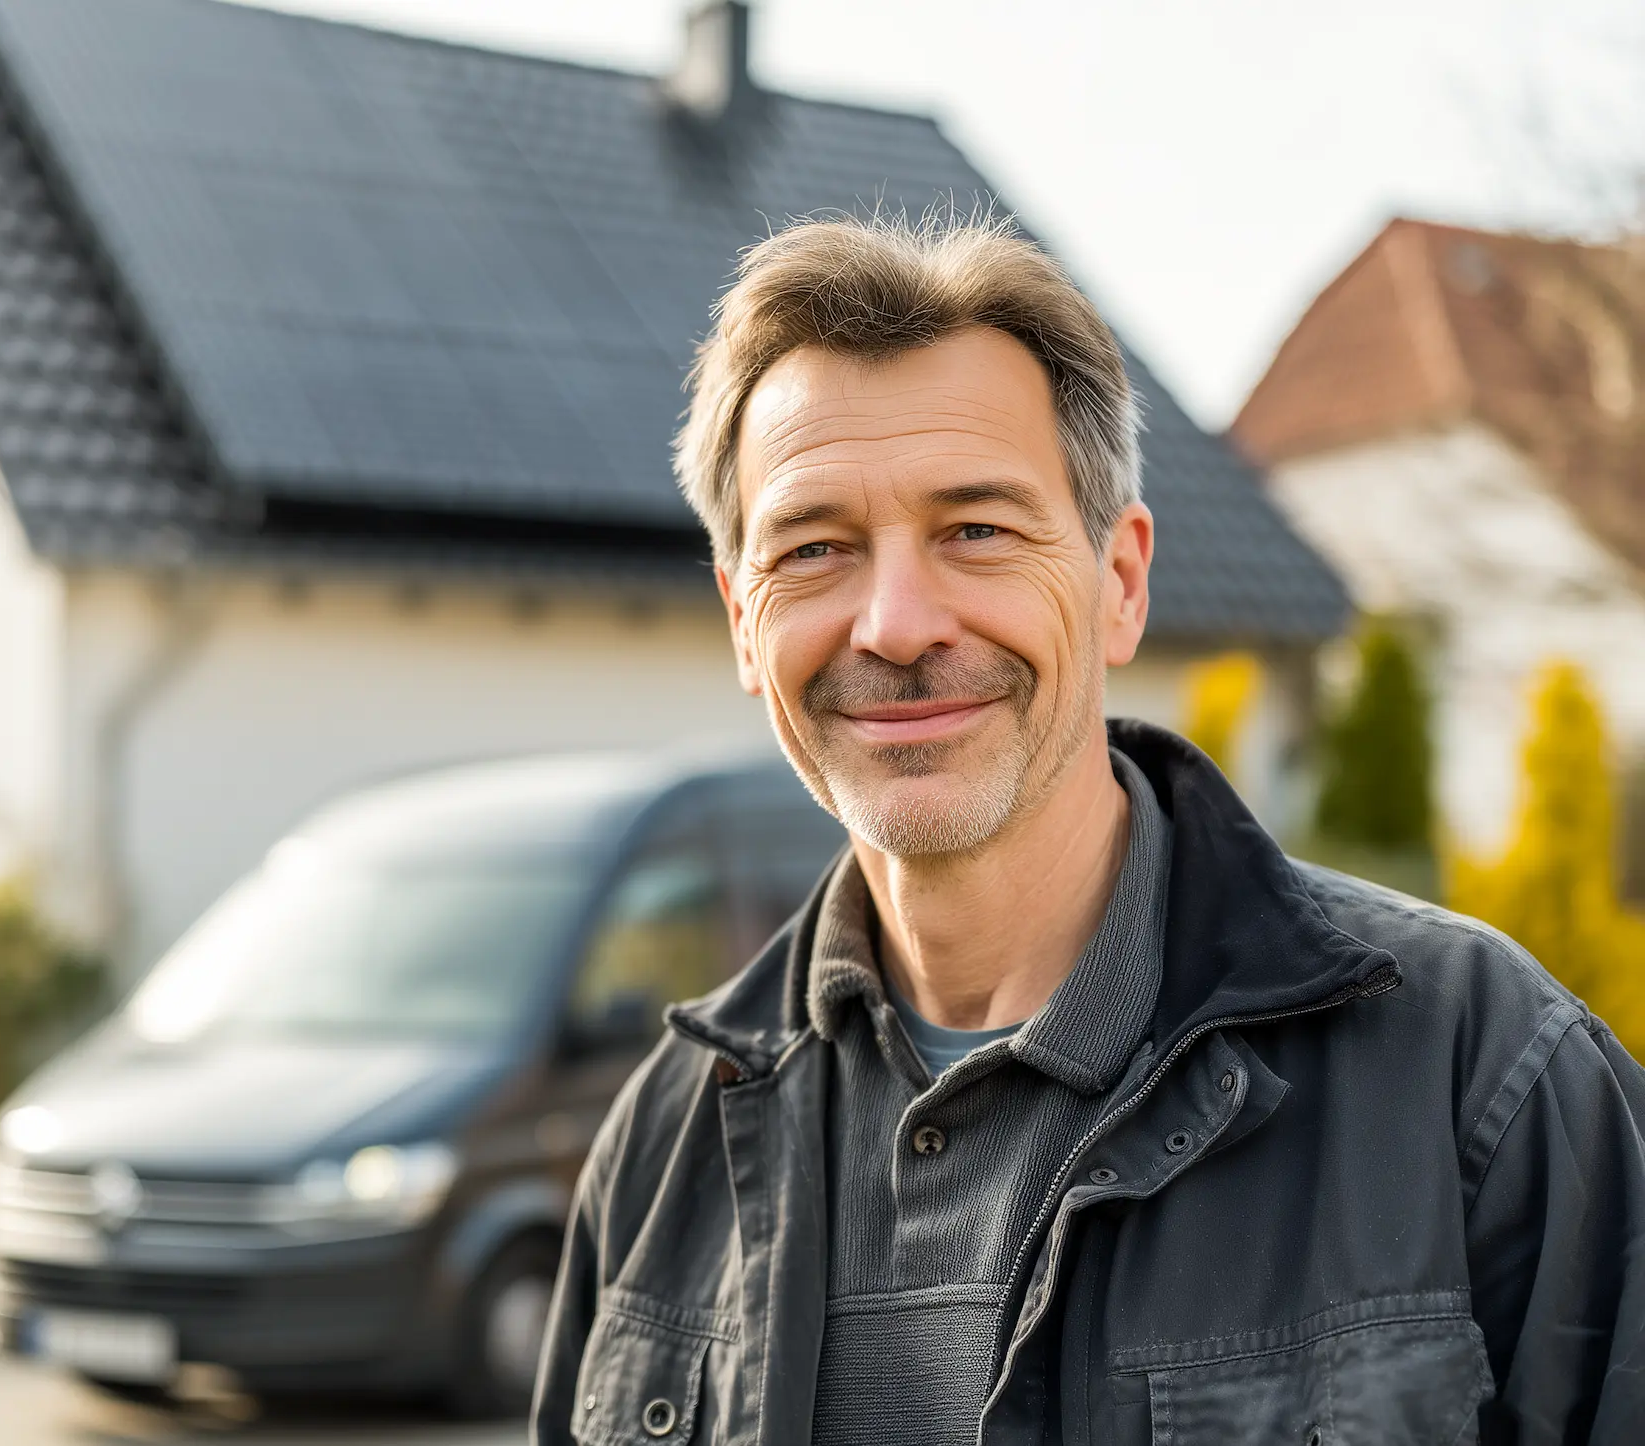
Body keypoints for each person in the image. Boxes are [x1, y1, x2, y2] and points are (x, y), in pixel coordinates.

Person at [529, 216, 1645, 1445]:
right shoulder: (661, 1150)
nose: (896, 624)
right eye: (815, 549)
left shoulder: (1479, 1076)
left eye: (978, 530)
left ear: (1120, 581)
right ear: (745, 623)